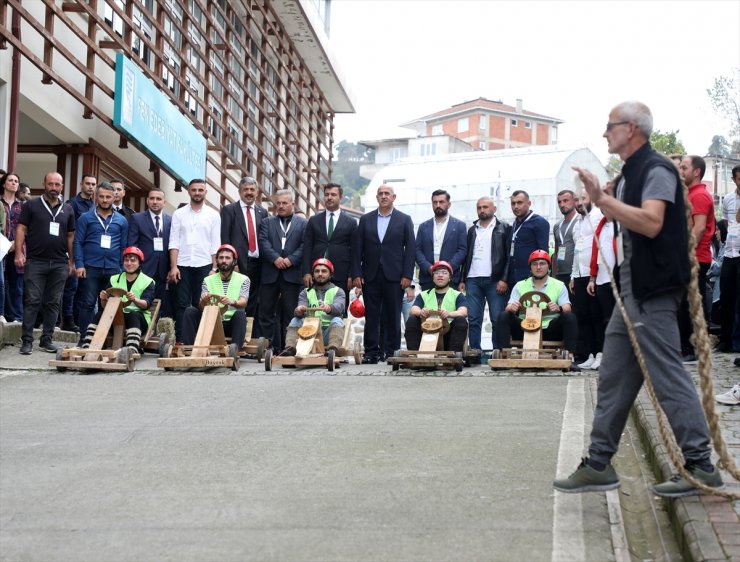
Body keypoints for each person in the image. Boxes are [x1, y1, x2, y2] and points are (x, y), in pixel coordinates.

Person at [554, 100, 722, 497]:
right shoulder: (633, 172)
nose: (604, 133)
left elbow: (652, 222)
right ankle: (598, 463)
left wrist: (603, 200)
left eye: (610, 126)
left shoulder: (656, 168)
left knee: (666, 376)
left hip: (651, 291)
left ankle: (701, 465)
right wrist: (611, 200)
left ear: (630, 129)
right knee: (613, 375)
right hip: (631, 290)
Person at [352, 184, 415, 364]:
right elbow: (357, 249)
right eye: (380, 194)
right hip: (370, 275)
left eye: (387, 193)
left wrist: (407, 276)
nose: (384, 196)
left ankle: (391, 351)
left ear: (394, 197)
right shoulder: (366, 219)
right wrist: (357, 273)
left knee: (393, 314)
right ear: (377, 198)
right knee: (372, 316)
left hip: (395, 276)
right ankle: (371, 352)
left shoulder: (404, 219)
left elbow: (410, 249)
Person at [15, 172, 76, 355]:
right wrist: (19, 253)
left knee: (53, 303)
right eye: (50, 184)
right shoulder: (32, 205)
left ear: (62, 186)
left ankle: (46, 340)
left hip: (59, 263)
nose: (54, 188)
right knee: (32, 300)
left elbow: (71, 236)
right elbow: (21, 229)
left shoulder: (68, 209)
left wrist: (72, 261)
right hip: (36, 261)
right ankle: (26, 341)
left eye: (57, 184)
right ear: (44, 184)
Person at [495, 250, 578, 366]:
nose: (538, 267)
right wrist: (512, 307)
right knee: (503, 315)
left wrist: (558, 308)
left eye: (542, 263)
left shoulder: (559, 285)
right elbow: (509, 306)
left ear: (548, 266)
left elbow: (567, 307)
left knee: (569, 317)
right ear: (530, 267)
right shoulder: (520, 285)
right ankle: (502, 353)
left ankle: (570, 355)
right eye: (535, 264)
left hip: (548, 328)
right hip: (524, 328)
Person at [74, 181, 129, 342]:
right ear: (96, 197)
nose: (105, 200)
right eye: (102, 196)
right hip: (90, 267)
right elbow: (78, 242)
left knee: (110, 306)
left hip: (113, 269)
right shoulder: (85, 218)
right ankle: (85, 339)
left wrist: (121, 268)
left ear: (114, 197)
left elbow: (124, 246)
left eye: (108, 197)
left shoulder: (121, 221)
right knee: (88, 304)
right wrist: (79, 264)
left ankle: (104, 339)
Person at [168, 179, 221, 343]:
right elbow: (174, 242)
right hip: (182, 264)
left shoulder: (213, 214)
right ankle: (182, 340)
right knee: (182, 304)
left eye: (200, 190)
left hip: (205, 264)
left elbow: (215, 243)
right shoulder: (179, 214)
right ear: (188, 191)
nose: (197, 193)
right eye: (194, 190)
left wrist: (214, 268)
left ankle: (200, 338)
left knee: (202, 303)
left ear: (205, 192)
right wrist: (174, 266)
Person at [459, 196, 511, 351]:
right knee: (474, 318)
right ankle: (475, 351)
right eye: (479, 207)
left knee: (497, 318)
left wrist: (504, 279)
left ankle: (497, 352)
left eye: (485, 207)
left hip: (495, 280)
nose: (482, 210)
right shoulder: (472, 230)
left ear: (494, 209)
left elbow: (509, 256)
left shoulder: (504, 228)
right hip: (473, 280)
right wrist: (463, 278)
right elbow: (466, 256)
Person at [80, 246, 154, 353]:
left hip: (138, 319)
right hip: (116, 318)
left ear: (139, 263)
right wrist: (103, 298)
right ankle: (88, 346)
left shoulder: (147, 281)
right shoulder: (114, 279)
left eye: (133, 260)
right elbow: (104, 306)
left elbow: (146, 304)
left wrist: (135, 299)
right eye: (126, 260)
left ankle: (131, 349)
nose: (129, 263)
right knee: (99, 314)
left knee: (133, 315)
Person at [258, 189, 306, 352]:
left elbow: (304, 246)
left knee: (291, 313)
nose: (280, 206)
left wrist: (290, 260)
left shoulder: (302, 223)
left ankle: (289, 346)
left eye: (284, 203)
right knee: (266, 312)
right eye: (278, 203)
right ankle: (268, 347)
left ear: (293, 204)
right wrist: (275, 258)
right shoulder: (267, 222)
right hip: (270, 273)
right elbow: (263, 242)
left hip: (292, 275)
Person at [677, 155, 715, 362]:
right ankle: (686, 348)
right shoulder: (688, 194)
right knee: (684, 304)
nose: (681, 171)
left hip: (695, 258)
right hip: (687, 257)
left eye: (684, 167)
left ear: (697, 172)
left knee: (692, 305)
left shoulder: (700, 195)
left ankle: (695, 350)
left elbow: (699, 229)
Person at [220, 177, 268, 329]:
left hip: (258, 263)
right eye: (245, 189)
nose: (249, 193)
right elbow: (225, 239)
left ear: (257, 192)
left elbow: (264, 238)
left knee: (254, 299)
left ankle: (248, 333)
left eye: (252, 189)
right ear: (240, 191)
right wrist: (231, 263)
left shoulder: (263, 211)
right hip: (238, 264)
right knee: (237, 297)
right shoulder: (229, 210)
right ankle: (236, 331)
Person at [181, 244, 249, 348]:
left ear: (234, 261)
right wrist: (203, 301)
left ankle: (235, 349)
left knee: (240, 315)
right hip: (210, 323)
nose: (224, 261)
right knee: (190, 311)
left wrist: (232, 302)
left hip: (230, 324)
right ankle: (188, 349)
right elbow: (201, 307)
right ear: (216, 261)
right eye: (221, 258)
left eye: (227, 258)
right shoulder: (207, 280)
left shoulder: (244, 279)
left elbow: (243, 301)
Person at [301, 182, 357, 306]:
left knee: (339, 310)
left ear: (340, 197)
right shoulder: (314, 220)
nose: (329, 197)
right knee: (313, 309)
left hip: (341, 274)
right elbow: (307, 248)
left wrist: (351, 275)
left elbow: (355, 251)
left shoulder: (351, 222)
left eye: (333, 194)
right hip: (316, 274)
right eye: (326, 195)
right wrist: (306, 272)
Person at [569, 190, 605, 369]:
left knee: (596, 315)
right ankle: (589, 353)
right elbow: (577, 250)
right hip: (579, 275)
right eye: (576, 200)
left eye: (583, 198)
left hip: (595, 275)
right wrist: (573, 275)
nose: (579, 203)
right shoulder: (578, 221)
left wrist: (593, 275)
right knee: (583, 317)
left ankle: (601, 352)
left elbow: (599, 247)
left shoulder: (598, 217)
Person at [283, 258, 345, 355]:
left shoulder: (338, 291)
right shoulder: (305, 292)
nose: (320, 274)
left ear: (330, 274)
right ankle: (290, 349)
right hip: (308, 333)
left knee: (337, 320)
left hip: (327, 333)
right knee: (295, 320)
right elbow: (301, 306)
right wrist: (299, 310)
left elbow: (339, 307)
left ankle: (332, 350)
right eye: (317, 271)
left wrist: (329, 308)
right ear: (313, 274)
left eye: (324, 271)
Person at [405, 261, 468, 352]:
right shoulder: (424, 294)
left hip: (448, 336)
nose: (440, 275)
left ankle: (453, 356)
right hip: (426, 334)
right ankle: (413, 353)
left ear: (450, 278)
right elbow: (413, 310)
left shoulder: (457, 295)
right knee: (412, 319)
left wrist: (449, 314)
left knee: (461, 320)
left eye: (444, 273)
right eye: (437, 273)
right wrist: (421, 312)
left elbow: (463, 311)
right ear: (433, 278)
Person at [129, 188, 173, 318]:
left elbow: (173, 245)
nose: (155, 202)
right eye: (152, 198)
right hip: (144, 269)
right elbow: (132, 245)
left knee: (160, 304)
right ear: (147, 201)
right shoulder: (137, 218)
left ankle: (154, 333)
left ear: (164, 202)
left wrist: (172, 268)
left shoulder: (171, 220)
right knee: (142, 302)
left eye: (158, 199)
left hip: (163, 271)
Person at [62, 173, 97, 332]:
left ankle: (78, 319)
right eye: (88, 183)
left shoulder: (95, 205)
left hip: (89, 253)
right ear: (81, 184)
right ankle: (67, 319)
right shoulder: (72, 204)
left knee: (84, 289)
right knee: (72, 288)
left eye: (93, 184)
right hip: (74, 250)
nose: (91, 187)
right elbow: (69, 230)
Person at [414, 189, 467, 291]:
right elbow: (417, 250)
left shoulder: (460, 226)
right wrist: (428, 267)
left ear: (449, 204)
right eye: (435, 202)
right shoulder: (423, 227)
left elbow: (462, 250)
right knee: (428, 307)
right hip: (428, 278)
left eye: (441, 202)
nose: (438, 205)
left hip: (451, 279)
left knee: (449, 307)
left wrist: (447, 269)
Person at [586, 205, 618, 369]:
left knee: (616, 320)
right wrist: (592, 277)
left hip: (616, 280)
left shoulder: (621, 225)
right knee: (601, 319)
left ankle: (615, 356)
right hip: (601, 279)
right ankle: (602, 353)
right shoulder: (601, 225)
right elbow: (595, 252)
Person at [716, 165, 740, 352]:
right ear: (733, 179)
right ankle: (725, 340)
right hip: (729, 252)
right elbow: (725, 222)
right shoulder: (728, 200)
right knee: (726, 295)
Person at [507, 190, 550, 285]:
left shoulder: (539, 222)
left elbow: (543, 252)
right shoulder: (515, 223)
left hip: (530, 277)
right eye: (513, 203)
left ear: (529, 203)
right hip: (513, 277)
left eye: (519, 203)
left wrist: (539, 275)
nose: (516, 206)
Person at [1, 172, 24, 322]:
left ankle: (17, 317)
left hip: (17, 247)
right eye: (10, 180)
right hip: (1, 246)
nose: (14, 183)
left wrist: (16, 244)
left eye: (16, 181)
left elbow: (26, 228)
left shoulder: (22, 206)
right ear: (4, 184)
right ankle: (2, 313)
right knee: (1, 283)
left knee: (17, 285)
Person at [552, 189, 577, 286]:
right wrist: (553, 277)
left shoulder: (579, 221)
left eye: (565, 201)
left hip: (575, 275)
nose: (562, 204)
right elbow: (556, 253)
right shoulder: (557, 226)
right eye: (559, 202)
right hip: (559, 275)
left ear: (574, 201)